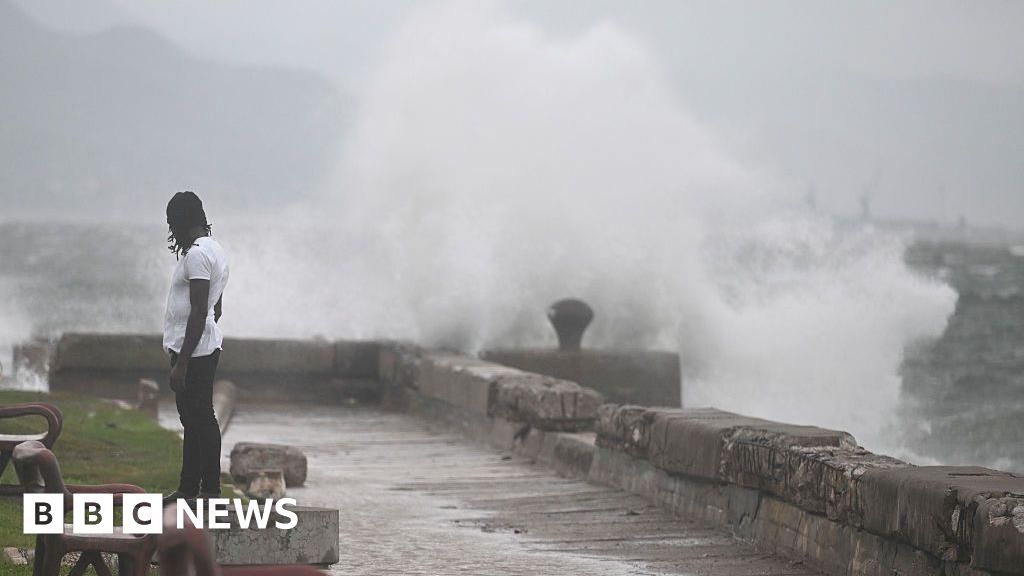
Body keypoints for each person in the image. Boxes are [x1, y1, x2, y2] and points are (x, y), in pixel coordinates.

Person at [162, 191, 229, 505]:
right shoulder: (214, 249)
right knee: (192, 418)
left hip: (195, 353)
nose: (172, 233)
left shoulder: (197, 255)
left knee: (201, 417)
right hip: (202, 346)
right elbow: (216, 308)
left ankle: (210, 490)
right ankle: (189, 487)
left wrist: (183, 363)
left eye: (172, 225)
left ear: (182, 222)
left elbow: (201, 310)